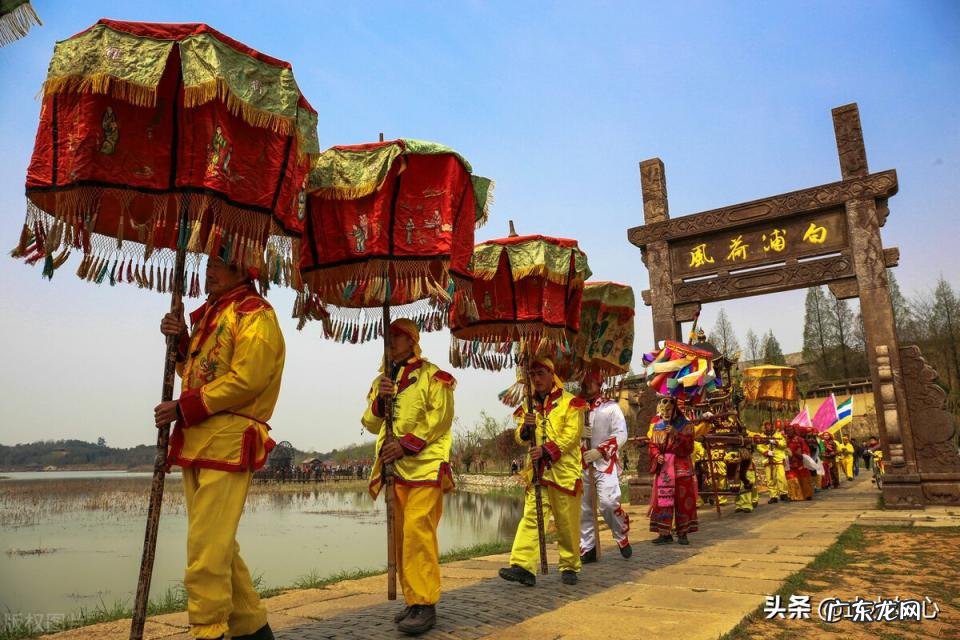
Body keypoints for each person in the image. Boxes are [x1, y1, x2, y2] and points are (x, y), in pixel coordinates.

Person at [155, 256, 284, 640]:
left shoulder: (255, 315)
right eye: (209, 262)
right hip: (196, 438)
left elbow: (248, 379)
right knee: (217, 545)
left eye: (221, 263)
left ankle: (208, 631)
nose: (209, 270)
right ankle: (253, 629)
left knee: (205, 550)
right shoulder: (212, 314)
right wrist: (178, 341)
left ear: (244, 270)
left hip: (228, 440)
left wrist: (183, 406)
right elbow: (194, 372)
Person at [361, 319, 456, 635]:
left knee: (418, 530)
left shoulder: (433, 376)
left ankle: (426, 604)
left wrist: (405, 444)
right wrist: (380, 402)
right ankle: (414, 599)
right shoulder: (381, 381)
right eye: (387, 337)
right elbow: (370, 423)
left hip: (425, 465)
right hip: (393, 470)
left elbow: (440, 418)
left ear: (412, 340)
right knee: (402, 536)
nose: (390, 342)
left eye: (397, 337)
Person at [500, 357, 586, 587]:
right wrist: (527, 429)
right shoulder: (528, 406)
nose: (536, 379)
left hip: (564, 473)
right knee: (531, 517)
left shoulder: (572, 403)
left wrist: (546, 450)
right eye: (533, 375)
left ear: (551, 375)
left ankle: (569, 564)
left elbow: (572, 436)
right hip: (537, 474)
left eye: (541, 374)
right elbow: (519, 436)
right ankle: (522, 565)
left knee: (566, 522)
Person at [578, 368, 631, 563]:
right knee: (584, 508)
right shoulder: (575, 408)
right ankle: (588, 546)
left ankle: (621, 533)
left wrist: (600, 450)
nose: (586, 385)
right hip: (581, 464)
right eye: (584, 381)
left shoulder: (611, 407)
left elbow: (621, 433)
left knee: (608, 503)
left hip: (604, 463)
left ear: (599, 383)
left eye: (591, 381)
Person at [647, 396, 698, 545]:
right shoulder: (657, 426)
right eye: (663, 410)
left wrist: (677, 434)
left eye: (669, 409)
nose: (666, 413)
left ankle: (683, 533)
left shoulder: (686, 425)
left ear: (675, 409)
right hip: (664, 469)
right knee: (663, 502)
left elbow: (689, 447)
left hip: (681, 468)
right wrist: (657, 455)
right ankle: (664, 533)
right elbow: (652, 445)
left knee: (682, 501)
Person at [757, 421, 789, 503]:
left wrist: (775, 442)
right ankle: (773, 496)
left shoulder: (778, 435)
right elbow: (759, 446)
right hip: (768, 460)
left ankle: (783, 494)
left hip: (778, 459)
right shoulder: (762, 436)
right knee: (770, 478)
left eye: (770, 425)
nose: (768, 427)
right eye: (766, 425)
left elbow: (784, 444)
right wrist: (766, 452)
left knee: (781, 477)